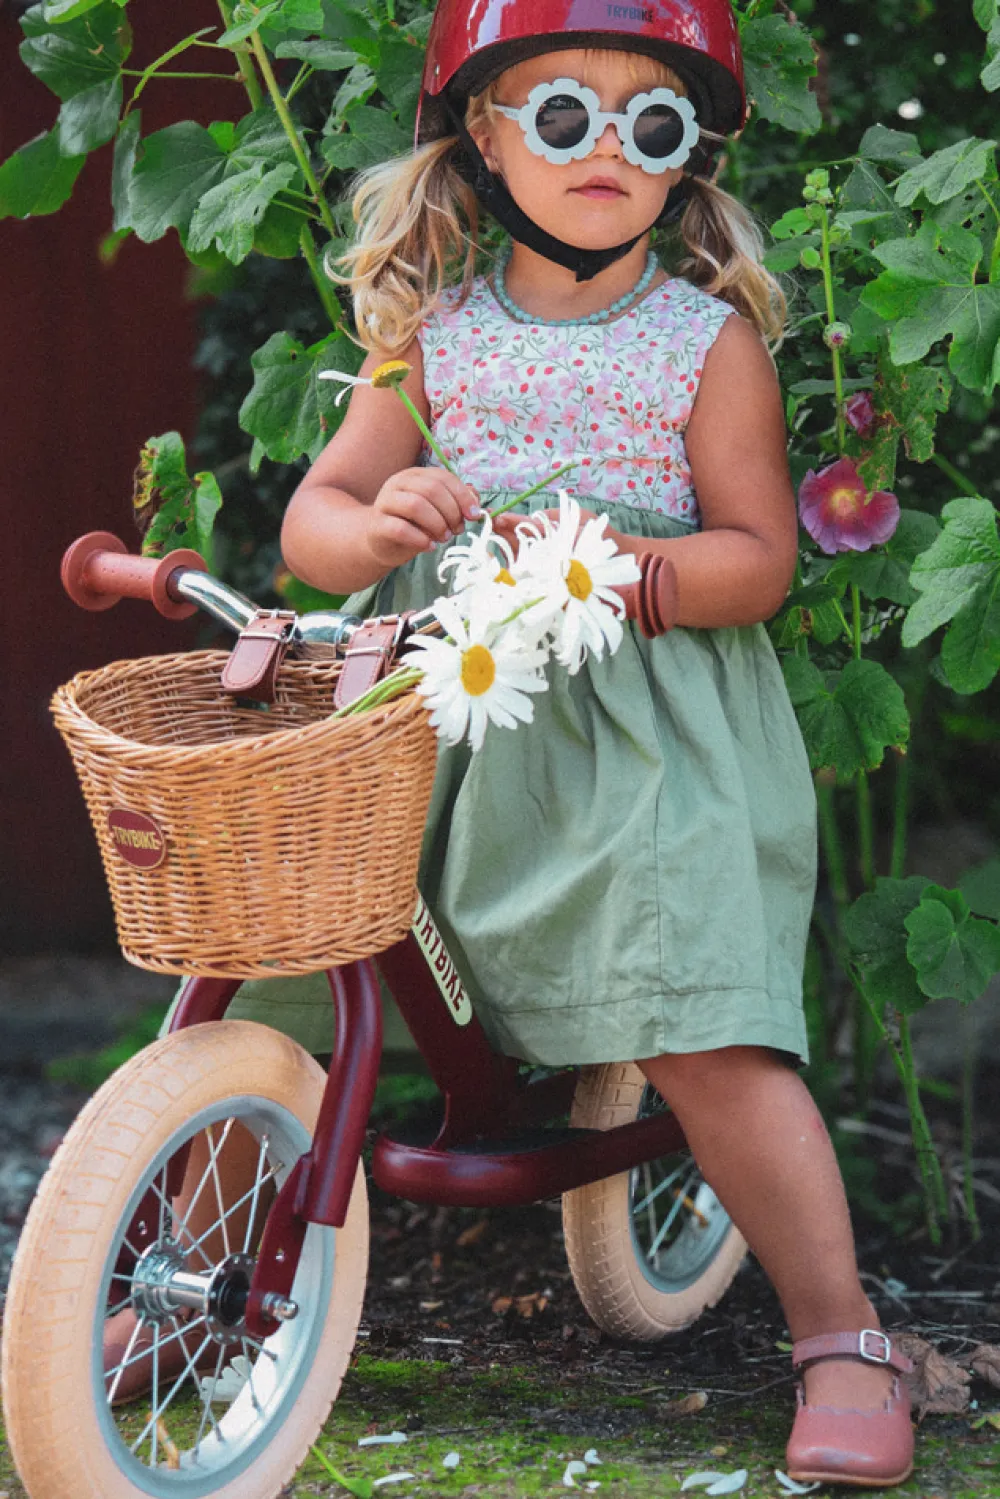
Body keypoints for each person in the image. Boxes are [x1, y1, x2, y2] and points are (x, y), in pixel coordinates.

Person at [112, 0, 915, 1485]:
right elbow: (316, 522)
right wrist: (381, 519)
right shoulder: (436, 332)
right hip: (446, 698)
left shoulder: (703, 342)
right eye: (562, 114)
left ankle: (839, 1329)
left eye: (650, 121)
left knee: (698, 1015)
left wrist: (636, 572)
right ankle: (195, 1281)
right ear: (484, 136)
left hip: (642, 722)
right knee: (278, 947)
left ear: (687, 161)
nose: (607, 149)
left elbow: (758, 555)